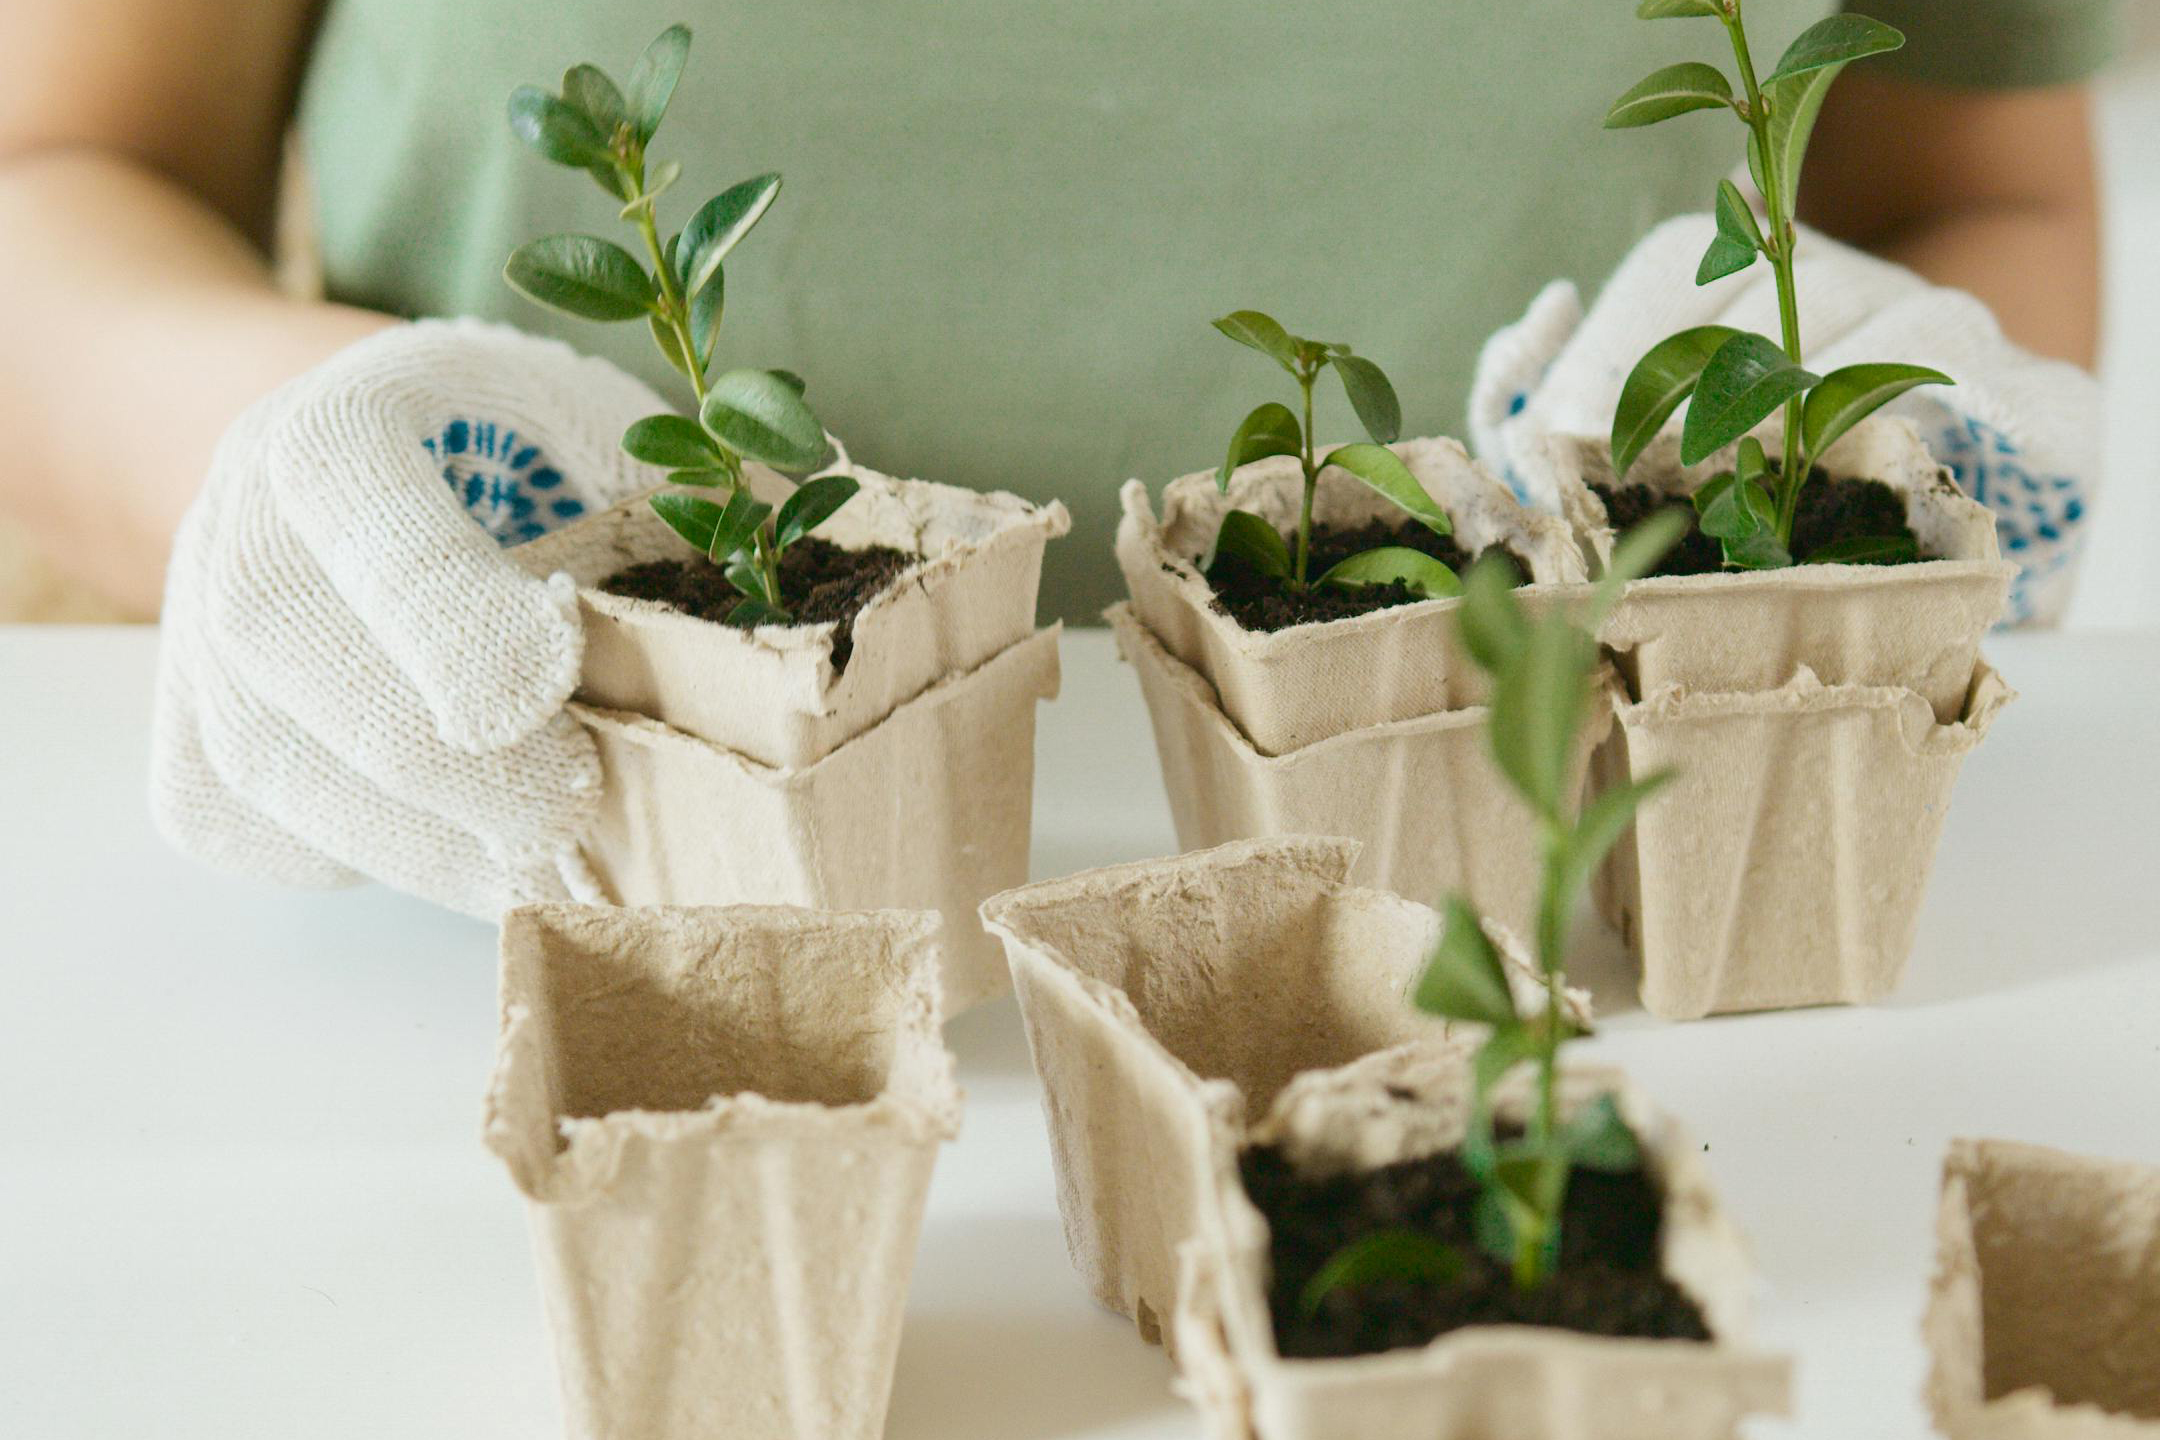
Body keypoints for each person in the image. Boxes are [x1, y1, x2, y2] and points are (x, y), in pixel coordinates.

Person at [0, 0, 2110, 911]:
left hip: (1588, 917)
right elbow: (60, 164)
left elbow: (1964, 187)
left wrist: (1870, 408)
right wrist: (273, 464)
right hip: (542, 885)